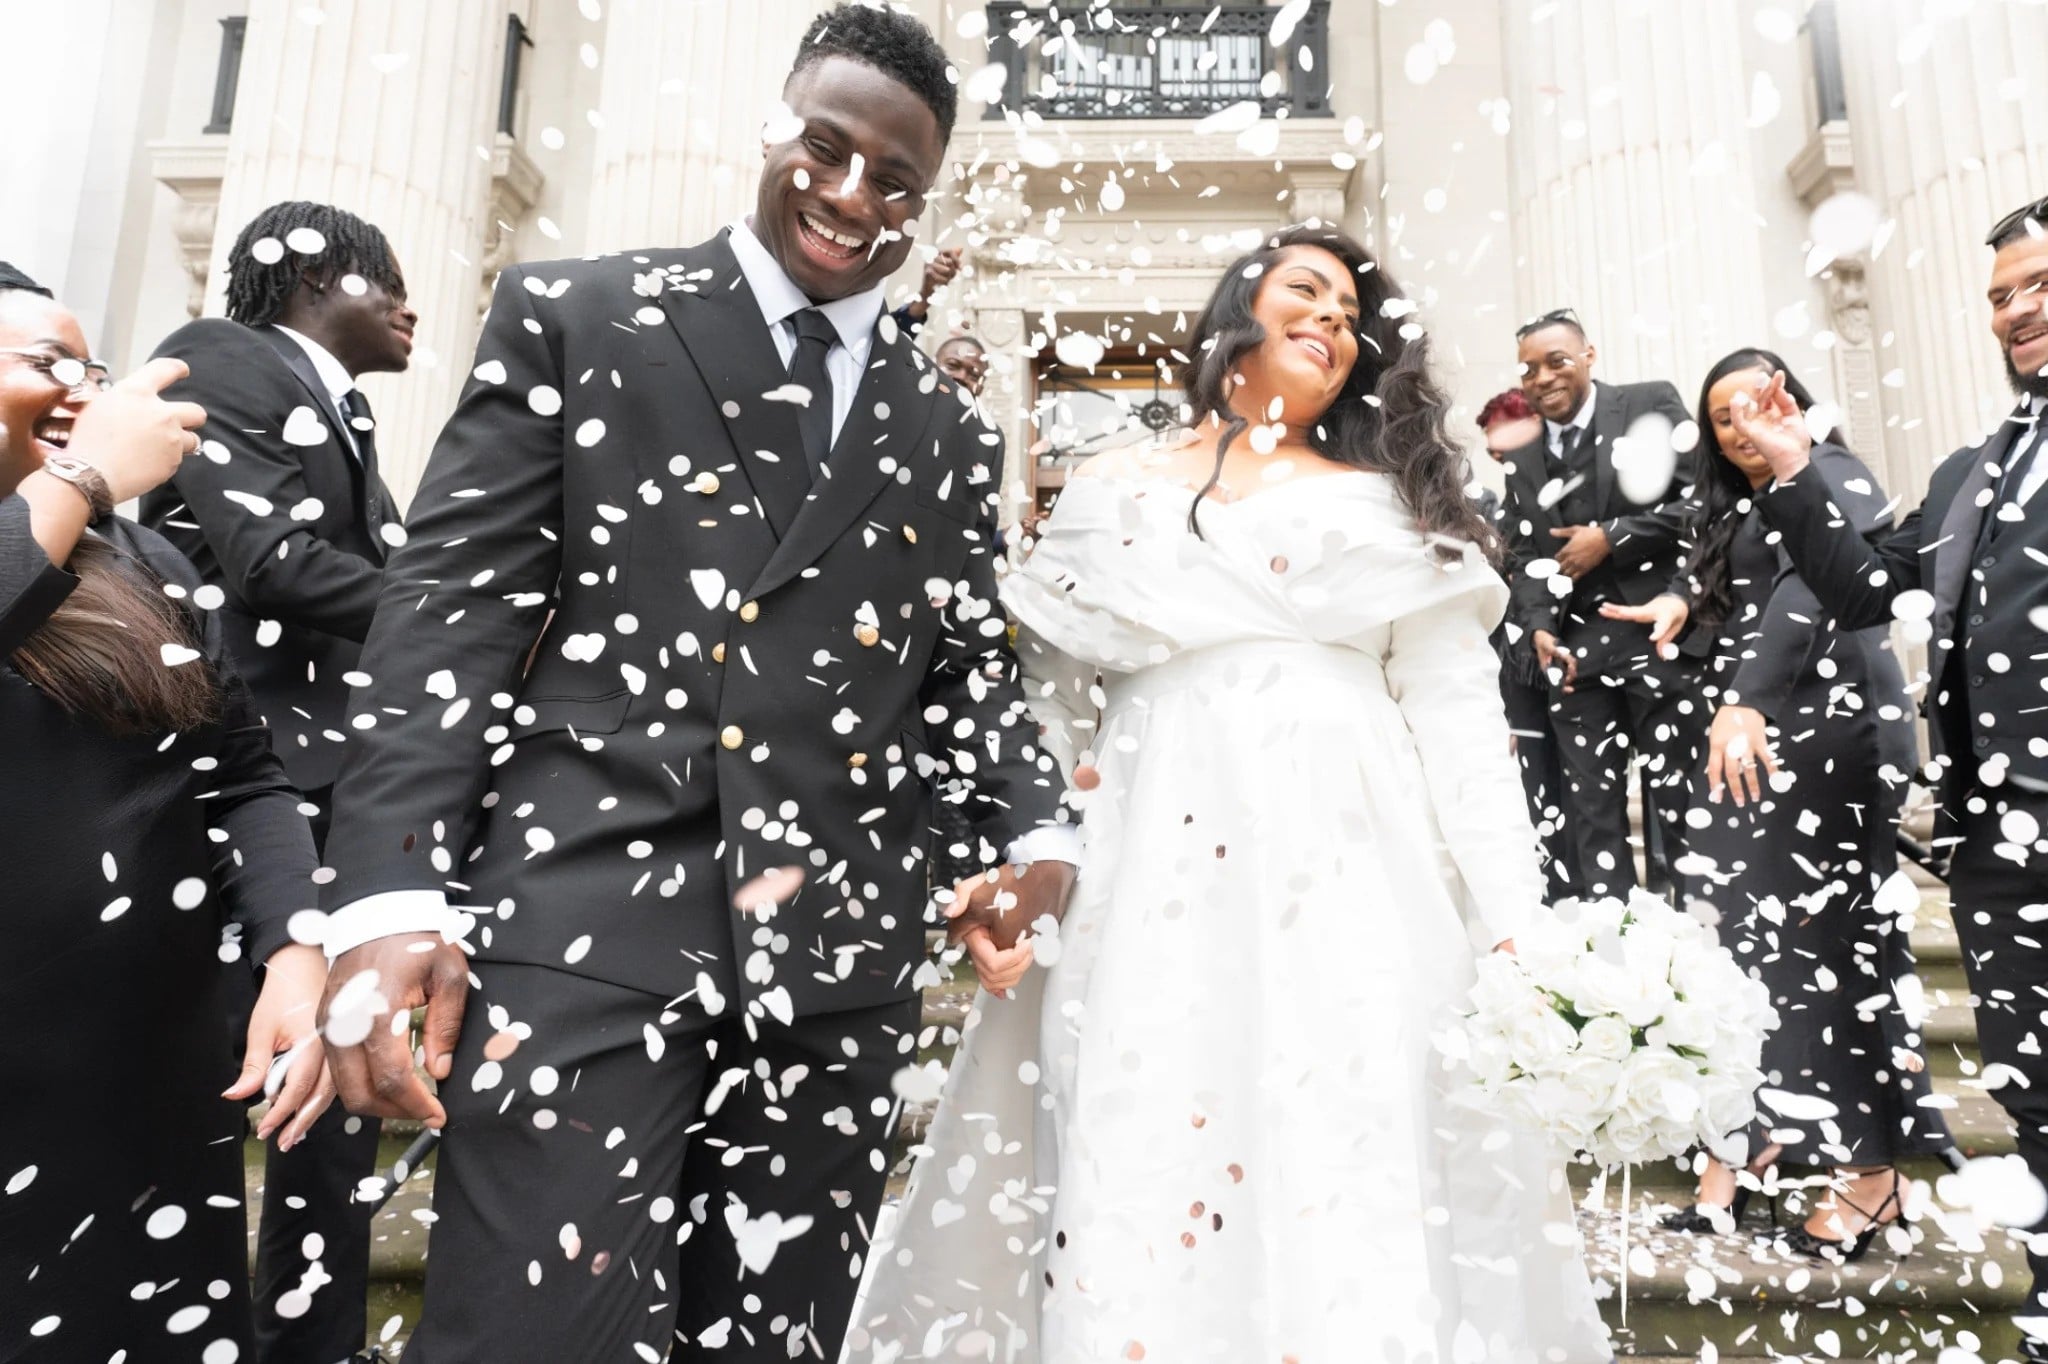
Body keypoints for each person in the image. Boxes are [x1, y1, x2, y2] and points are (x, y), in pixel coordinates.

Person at [308, 8, 1076, 1362]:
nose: (851, 197)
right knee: (531, 1337)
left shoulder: (948, 427)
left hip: (836, 967)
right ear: (774, 133)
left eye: (894, 179)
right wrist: (387, 887)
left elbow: (961, 671)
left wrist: (1032, 834)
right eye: (825, 150)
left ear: (925, 197)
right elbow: (453, 614)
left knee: (772, 1345)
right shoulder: (581, 314)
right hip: (584, 929)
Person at [845, 225, 1612, 1361]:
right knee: (1146, 1138)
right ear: (1231, 318)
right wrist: (1024, 855)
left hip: (1357, 881)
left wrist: (1514, 925)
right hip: (1145, 881)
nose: (1332, 321)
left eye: (1351, 315)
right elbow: (1048, 713)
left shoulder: (1395, 503)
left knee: (1343, 1144)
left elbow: (1458, 726)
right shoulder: (1111, 491)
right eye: (1305, 292)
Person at [0, 264, 332, 1362]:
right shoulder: (77, 502)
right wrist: (89, 473)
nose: (82, 390)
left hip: (147, 1092)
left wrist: (292, 948)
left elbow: (245, 774)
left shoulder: (141, 559)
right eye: (43, 363)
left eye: (89, 369)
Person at [1733, 196, 2048, 1348]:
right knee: (2035, 1104)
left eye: (2035, 286)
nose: (2012, 311)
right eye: (1999, 295)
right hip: (2001, 854)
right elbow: (1870, 589)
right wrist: (1790, 467)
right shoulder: (1980, 464)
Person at [140, 199, 412, 1364]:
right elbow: (272, 563)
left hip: (327, 776)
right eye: (386, 281)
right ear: (315, 278)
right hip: (239, 777)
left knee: (330, 1094)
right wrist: (465, 615)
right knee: (231, 1077)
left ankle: (309, 1341)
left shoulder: (331, 405)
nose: (410, 308)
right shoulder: (218, 361)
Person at [1605, 349, 1951, 1256]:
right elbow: (1741, 579)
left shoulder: (1832, 470)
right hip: (1759, 736)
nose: (1741, 423)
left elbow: (1809, 592)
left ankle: (1872, 1178)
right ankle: (1745, 1147)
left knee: (1821, 952)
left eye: (1756, 401)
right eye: (1722, 415)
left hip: (1824, 734)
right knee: (1739, 945)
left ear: (1792, 399)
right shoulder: (1737, 502)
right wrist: (1683, 602)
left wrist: (1749, 695)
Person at [1501, 309, 1701, 897]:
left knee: (1680, 805)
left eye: (1556, 361)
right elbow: (1523, 555)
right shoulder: (1523, 450)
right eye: (1528, 370)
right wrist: (1537, 625)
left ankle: (1696, 956)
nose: (1542, 378)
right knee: (1591, 813)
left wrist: (1612, 538)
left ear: (1589, 355)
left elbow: (1703, 504)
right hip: (1574, 656)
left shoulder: (1647, 405)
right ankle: (1611, 952)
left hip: (1658, 636)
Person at [1478, 387, 1579, 896]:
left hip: (1570, 646)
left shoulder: (1562, 487)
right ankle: (1548, 888)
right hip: (1517, 662)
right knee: (1535, 779)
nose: (1499, 451)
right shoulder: (1495, 502)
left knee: (1573, 779)